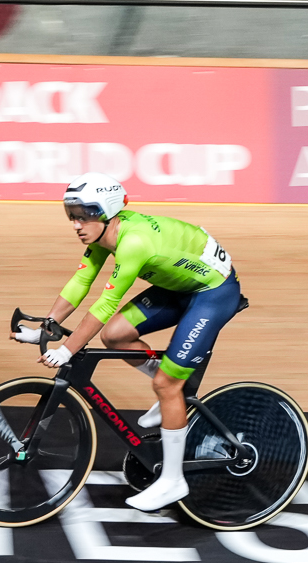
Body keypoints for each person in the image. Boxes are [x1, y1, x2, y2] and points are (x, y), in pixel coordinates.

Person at [20, 174, 243, 514]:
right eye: (72, 216)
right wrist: (46, 328)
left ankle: (173, 479)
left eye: (83, 215)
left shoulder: (133, 242)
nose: (76, 225)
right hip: (179, 285)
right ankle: (175, 392)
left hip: (213, 293)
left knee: (165, 384)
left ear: (106, 211)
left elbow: (105, 304)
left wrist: (67, 350)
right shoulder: (104, 233)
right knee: (114, 336)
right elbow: (81, 280)